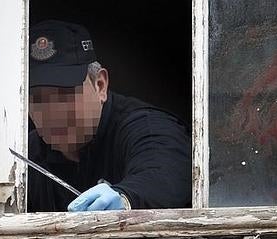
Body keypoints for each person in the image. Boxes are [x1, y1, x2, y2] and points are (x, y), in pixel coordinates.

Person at [27, 20, 191, 213]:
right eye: (37, 99)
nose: (52, 112)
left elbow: (167, 173)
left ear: (100, 85)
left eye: (65, 94)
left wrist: (125, 198)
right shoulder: (26, 154)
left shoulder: (146, 127)